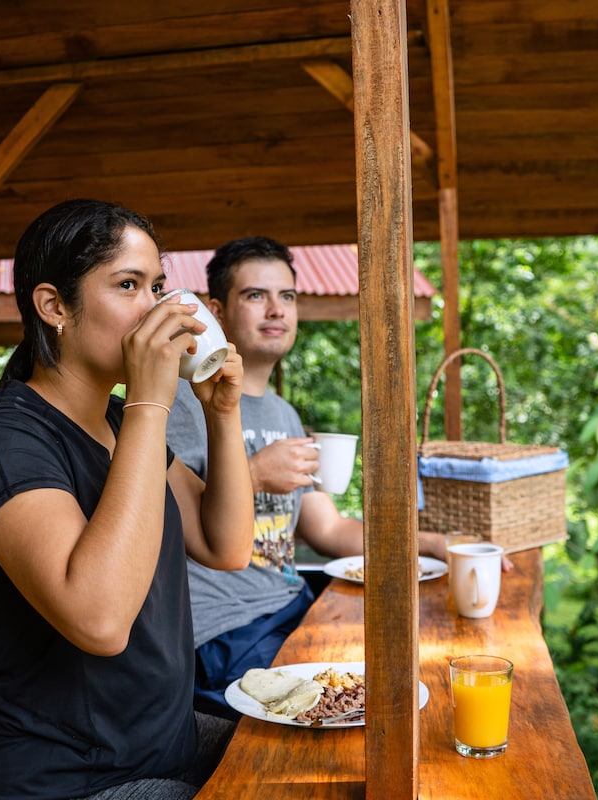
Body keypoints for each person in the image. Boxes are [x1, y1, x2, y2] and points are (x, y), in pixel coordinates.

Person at [0, 199, 254, 799]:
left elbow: (227, 545)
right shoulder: (3, 441)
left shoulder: (121, 421)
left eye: (159, 285)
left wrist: (224, 414)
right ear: (54, 306)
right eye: (128, 285)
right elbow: (101, 619)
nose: (159, 308)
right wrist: (149, 403)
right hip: (76, 782)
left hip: (165, 746)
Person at [165, 236, 453, 718]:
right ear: (215, 310)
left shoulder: (284, 414)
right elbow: (154, 515)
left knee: (420, 663)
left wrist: (432, 544)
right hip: (226, 630)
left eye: (288, 297)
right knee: (367, 712)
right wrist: (254, 474)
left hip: (295, 608)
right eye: (256, 295)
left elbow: (329, 529)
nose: (276, 310)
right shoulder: (177, 402)